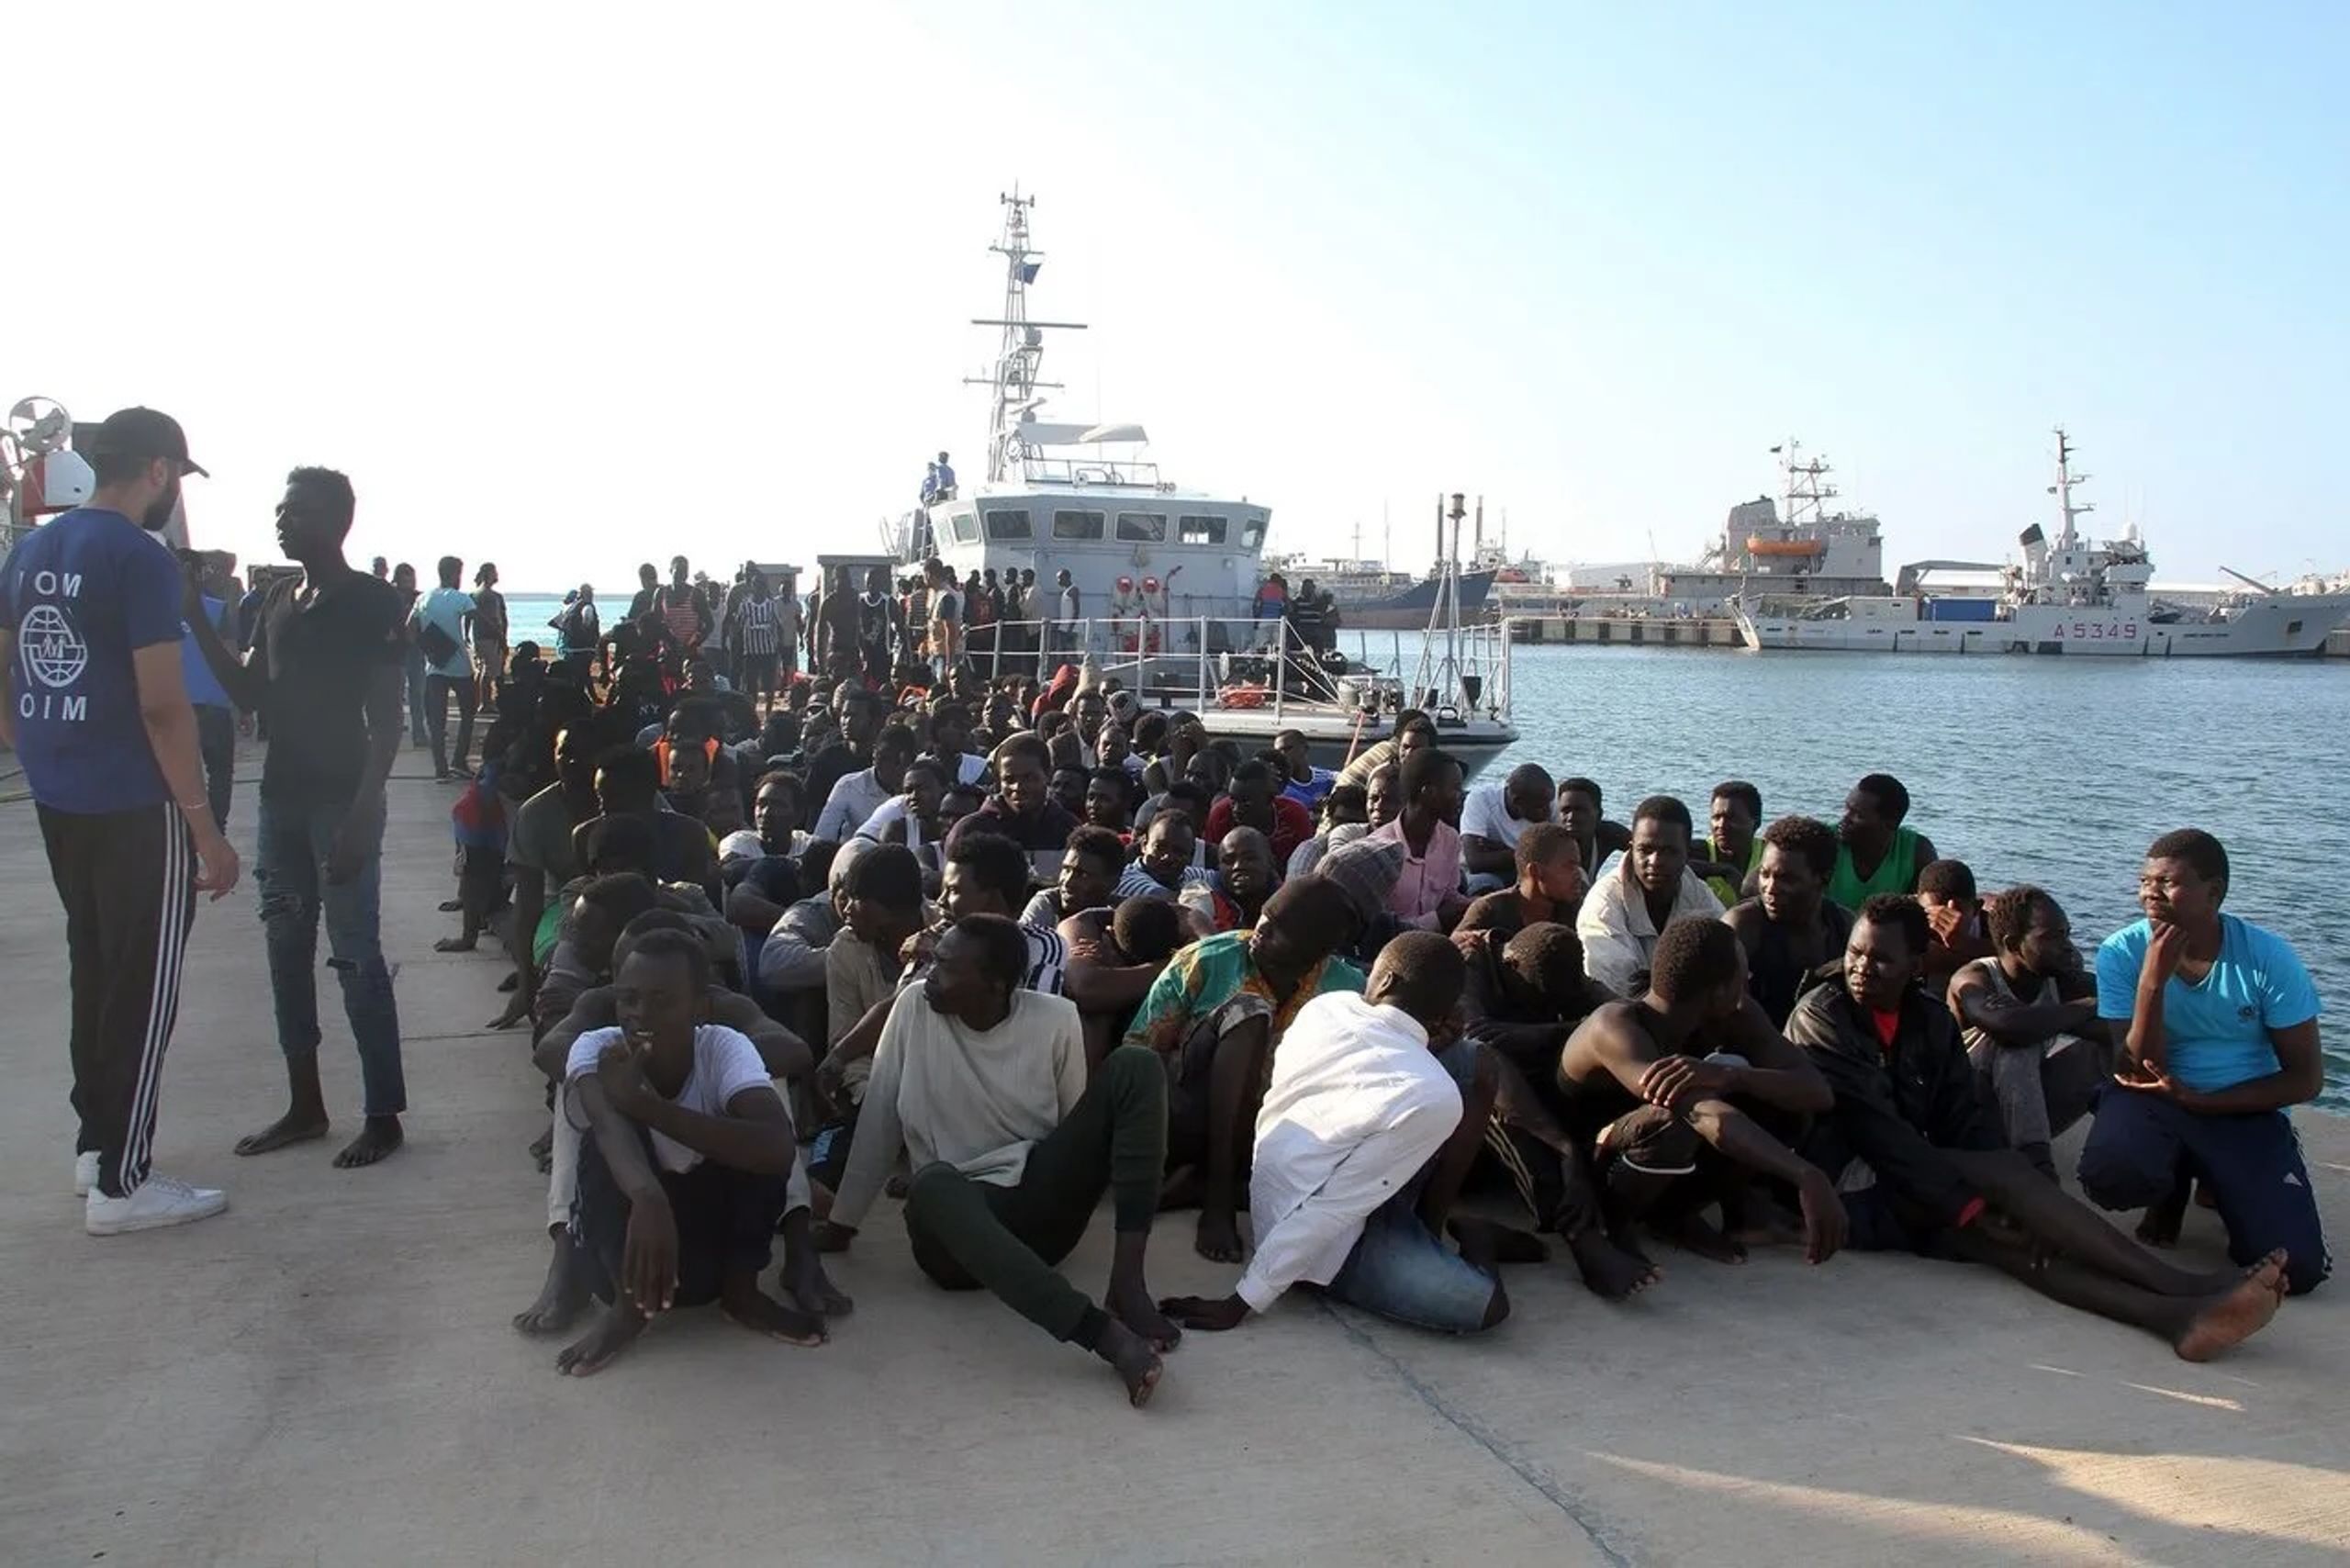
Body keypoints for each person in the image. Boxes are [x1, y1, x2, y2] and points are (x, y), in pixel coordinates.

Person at [1789, 896, 2288, 1361]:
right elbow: (1879, 1133)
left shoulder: (1928, 1019)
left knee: (2014, 1241)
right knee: (2004, 1187)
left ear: (1917, 964)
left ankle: (2176, 1319)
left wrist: (2000, 1209)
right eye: (1855, 952)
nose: (1861, 968)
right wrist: (1971, 1204)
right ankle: (2179, 1285)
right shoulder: (1824, 1016)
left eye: (1881, 959)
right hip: (1845, 1182)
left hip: (1904, 1180)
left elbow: (1962, 1118)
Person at [0, 406, 241, 1232]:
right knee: (143, 987)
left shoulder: (33, 550)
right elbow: (163, 707)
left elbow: (9, 661)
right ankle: (123, 1182)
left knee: (97, 971)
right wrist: (204, 826)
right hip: (135, 804)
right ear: (159, 472)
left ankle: (96, 1145)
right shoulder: (139, 557)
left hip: (61, 795)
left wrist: (32, 741)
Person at [819, 916, 1174, 1407]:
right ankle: (1102, 1335)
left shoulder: (1055, 1019)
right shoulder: (913, 1009)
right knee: (932, 1183)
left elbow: (1070, 1128)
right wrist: (842, 1223)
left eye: (945, 966)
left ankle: (1128, 1285)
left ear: (996, 985)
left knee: (1137, 1064)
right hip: (954, 1239)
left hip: (1037, 1214)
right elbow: (879, 1119)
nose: (930, 974)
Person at [184, 466, 410, 1170]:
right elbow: (251, 692)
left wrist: (363, 817)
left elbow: (387, 721)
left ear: (339, 522)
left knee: (355, 955)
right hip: (280, 800)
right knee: (285, 952)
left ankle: (383, 1115)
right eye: (282, 511)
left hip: (343, 801)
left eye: (300, 512)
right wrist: (196, 616)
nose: (284, 522)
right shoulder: (280, 600)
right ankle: (305, 1105)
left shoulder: (373, 602)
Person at [1159, 933, 1513, 1336]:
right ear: (1446, 1012)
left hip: (1321, 1185)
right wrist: (1244, 1299)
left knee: (1472, 1063)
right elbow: (1330, 1208)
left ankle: (1426, 1230)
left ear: (1384, 981)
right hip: (1325, 1239)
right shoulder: (1433, 1093)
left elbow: (1374, 1072)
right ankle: (1477, 1242)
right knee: (1487, 1308)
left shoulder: (1325, 1006)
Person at [550, 931, 829, 1375]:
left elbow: (778, 1150)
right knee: (600, 1145)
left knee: (756, 1141)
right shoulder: (597, 1048)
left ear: (700, 1007)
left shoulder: (722, 1047)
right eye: (629, 999)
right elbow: (607, 1129)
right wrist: (649, 1197)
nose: (640, 1014)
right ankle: (628, 1310)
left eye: (661, 1000)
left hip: (708, 1261)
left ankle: (741, 1294)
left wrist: (647, 1106)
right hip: (625, 1255)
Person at [2076, 830, 2328, 1295]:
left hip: (2240, 1108)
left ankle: (2220, 1177)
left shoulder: (2268, 959)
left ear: (2213, 892)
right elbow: (2133, 1069)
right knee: (2112, 1175)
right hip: (2152, 1098)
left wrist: (2205, 1102)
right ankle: (2171, 1184)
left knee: (2297, 1269)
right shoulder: (2121, 952)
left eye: (2168, 882)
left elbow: (2306, 1079)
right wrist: (2152, 982)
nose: (2150, 893)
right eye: (2144, 881)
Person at [1555, 916, 1844, 1267]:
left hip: (1657, 1152)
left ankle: (1678, 1214)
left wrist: (1731, 1077)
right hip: (1587, 1166)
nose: (1749, 979)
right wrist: (1805, 1174)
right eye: (1743, 973)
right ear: (1719, 990)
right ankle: (1615, 1226)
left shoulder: (1733, 1014)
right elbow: (1705, 1116)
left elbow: (1816, 1091)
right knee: (1669, 1123)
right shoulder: (1615, 1028)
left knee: (1781, 1100)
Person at [1126, 875, 1368, 1260]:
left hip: (1270, 1128)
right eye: (1265, 916)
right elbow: (1140, 1053)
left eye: (1280, 928)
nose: (1262, 929)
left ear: (1317, 951)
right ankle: (1218, 1194)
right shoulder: (1207, 959)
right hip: (1186, 1110)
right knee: (1249, 1011)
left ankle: (1199, 1181)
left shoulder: (1346, 990)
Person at [1949, 885, 2110, 1181]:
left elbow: (2121, 1021)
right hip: (1967, 1108)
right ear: (2013, 944)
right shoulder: (1975, 977)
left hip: (2022, 1103)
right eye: (2052, 937)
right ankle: (2037, 1165)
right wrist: (2087, 1006)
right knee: (2015, 1045)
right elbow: (2010, 1027)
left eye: (2067, 934)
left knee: (2105, 1047)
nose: (2067, 946)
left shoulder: (2059, 981)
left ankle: (2118, 1147)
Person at [1576, 795, 1726, 995]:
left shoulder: (1698, 894)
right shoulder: (1604, 902)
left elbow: (1728, 965)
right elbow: (1620, 985)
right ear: (1631, 849)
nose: (1655, 861)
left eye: (1669, 851)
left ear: (1687, 853)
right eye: (1645, 850)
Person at [1721, 814, 1853, 1029]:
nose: (1770, 888)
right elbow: (1732, 1012)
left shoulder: (1843, 926)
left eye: (1787, 879)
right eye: (1765, 874)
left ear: (1824, 877)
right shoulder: (1743, 926)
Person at [1370, 746, 1467, 930]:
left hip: (1434, 938)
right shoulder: (1379, 849)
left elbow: (1449, 897)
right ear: (1428, 792)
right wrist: (1437, 919)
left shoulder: (1450, 839)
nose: (1461, 796)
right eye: (1455, 789)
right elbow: (1375, 928)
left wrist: (1481, 903)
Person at [944, 733, 1080, 859]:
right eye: (1009, 780)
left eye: (1029, 778)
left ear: (1048, 776)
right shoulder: (971, 831)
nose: (1018, 787)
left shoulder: (1068, 828)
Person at [179, 553, 240, 830]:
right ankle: (216, 827)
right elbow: (232, 655)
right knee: (220, 773)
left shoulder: (155, 611)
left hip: (175, 708)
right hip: (214, 705)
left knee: (180, 774)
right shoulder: (217, 609)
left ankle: (187, 828)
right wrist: (241, 704)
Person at [1456, 822, 1584, 942]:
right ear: (1535, 871)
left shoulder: (1578, 912)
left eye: (1578, 866)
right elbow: (1456, 946)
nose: (1578, 874)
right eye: (1569, 866)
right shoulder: (1490, 910)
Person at [1827, 772, 1938, 908]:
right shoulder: (1823, 841)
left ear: (1891, 823)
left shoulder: (1918, 852)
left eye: (1858, 815)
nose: (1845, 818)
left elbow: (1930, 909)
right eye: (1847, 808)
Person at [413, 555, 476, 781]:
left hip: (435, 667)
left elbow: (410, 629)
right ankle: (459, 760)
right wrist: (498, 636)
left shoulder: (423, 598)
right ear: (454, 574)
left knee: (436, 721)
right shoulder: (461, 598)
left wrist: (429, 648)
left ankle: (441, 769)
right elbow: (479, 619)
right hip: (460, 667)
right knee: (468, 713)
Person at [1460, 763, 1554, 895]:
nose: (1548, 812)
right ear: (1517, 801)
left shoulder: (1546, 800)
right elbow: (1475, 863)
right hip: (1491, 874)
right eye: (1540, 808)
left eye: (1549, 804)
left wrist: (1504, 851)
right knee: (1482, 884)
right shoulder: (1482, 799)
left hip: (1530, 873)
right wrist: (1530, 853)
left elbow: (1554, 856)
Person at [813, 722, 916, 841]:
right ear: (874, 755)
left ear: (912, 760)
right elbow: (822, 837)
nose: (893, 767)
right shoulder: (849, 786)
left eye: (900, 761)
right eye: (886, 758)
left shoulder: (923, 788)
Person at [1204, 757, 1315, 866]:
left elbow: (1306, 862)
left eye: (1246, 802)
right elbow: (1214, 865)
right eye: (1233, 800)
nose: (1236, 809)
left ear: (1269, 798)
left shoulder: (1294, 815)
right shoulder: (1220, 815)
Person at [1916, 857, 1996, 982]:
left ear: (1976, 908)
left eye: (1955, 914)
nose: (1943, 924)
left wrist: (1964, 943)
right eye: (1933, 913)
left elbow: (2014, 958)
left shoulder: (1992, 929)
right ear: (1917, 904)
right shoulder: (1905, 920)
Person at [1700, 780, 1763, 906]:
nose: (1721, 825)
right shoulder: (1700, 852)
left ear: (1756, 823)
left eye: (1731, 818)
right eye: (1716, 817)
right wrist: (1724, 870)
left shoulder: (1767, 855)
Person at [1556, 775, 1632, 875]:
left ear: (1599, 814)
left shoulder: (1607, 835)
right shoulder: (1548, 843)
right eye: (1565, 811)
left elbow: (1641, 848)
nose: (1571, 817)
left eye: (1580, 811)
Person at [734, 570, 782, 707]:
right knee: (751, 686)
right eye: (757, 585)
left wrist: (779, 645)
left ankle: (769, 712)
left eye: (762, 586)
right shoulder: (745, 606)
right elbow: (738, 627)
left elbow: (779, 626)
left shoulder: (771, 605)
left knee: (769, 686)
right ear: (752, 587)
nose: (760, 589)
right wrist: (738, 649)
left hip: (768, 652)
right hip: (751, 653)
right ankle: (752, 711)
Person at [471, 562, 508, 712]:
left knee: (481, 669)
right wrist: (502, 638)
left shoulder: (475, 595)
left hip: (479, 637)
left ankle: (476, 701)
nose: (497, 575)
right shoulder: (490, 596)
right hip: (490, 637)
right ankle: (485, 703)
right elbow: (496, 620)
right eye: (495, 572)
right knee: (489, 670)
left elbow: (468, 619)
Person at [1271, 728, 1335, 812]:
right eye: (1278, 752)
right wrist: (1314, 804)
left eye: (1287, 749)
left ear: (1305, 749)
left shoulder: (1327, 778)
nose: (1283, 755)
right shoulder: (1275, 784)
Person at [1049, 566, 1081, 673]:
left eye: (1060, 578)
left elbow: (1076, 610)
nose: (1058, 581)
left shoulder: (1073, 590)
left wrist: (1070, 628)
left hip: (1069, 629)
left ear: (1067, 577)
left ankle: (1077, 673)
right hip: (1063, 628)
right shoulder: (1066, 591)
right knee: (1061, 655)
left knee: (1071, 654)